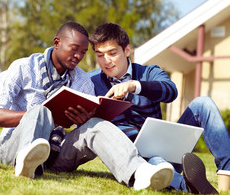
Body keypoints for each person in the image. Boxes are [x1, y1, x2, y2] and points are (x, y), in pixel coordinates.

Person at [0, 21, 174, 191]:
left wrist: (84, 121)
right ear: (57, 43)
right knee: (40, 111)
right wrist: (41, 114)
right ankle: (27, 163)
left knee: (97, 124)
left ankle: (139, 173)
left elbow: (82, 129)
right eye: (74, 49)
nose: (78, 56)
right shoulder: (23, 68)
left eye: (83, 52)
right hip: (14, 149)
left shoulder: (83, 80)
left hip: (56, 152)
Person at [88, 22, 230, 194]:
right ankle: (189, 186)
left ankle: (226, 177)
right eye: (100, 55)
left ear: (127, 51)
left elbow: (171, 92)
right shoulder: (91, 82)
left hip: (166, 146)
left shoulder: (149, 72)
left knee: (204, 103)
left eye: (112, 53)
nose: (106, 61)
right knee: (154, 161)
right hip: (134, 156)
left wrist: (135, 86)